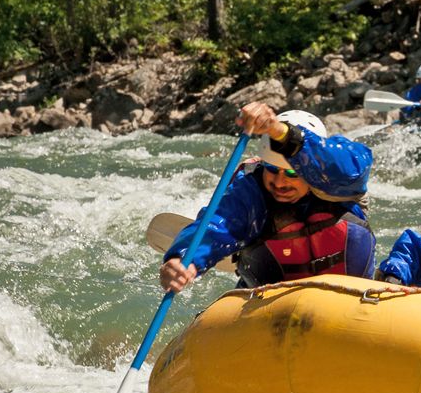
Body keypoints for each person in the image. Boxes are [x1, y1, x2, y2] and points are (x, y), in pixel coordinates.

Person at [160, 104, 376, 292]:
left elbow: (350, 166)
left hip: (352, 299)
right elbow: (217, 224)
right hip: (272, 307)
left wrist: (281, 133)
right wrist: (184, 259)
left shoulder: (338, 183)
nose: (280, 183)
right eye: (272, 169)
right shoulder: (251, 194)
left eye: (291, 173)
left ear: (312, 173)